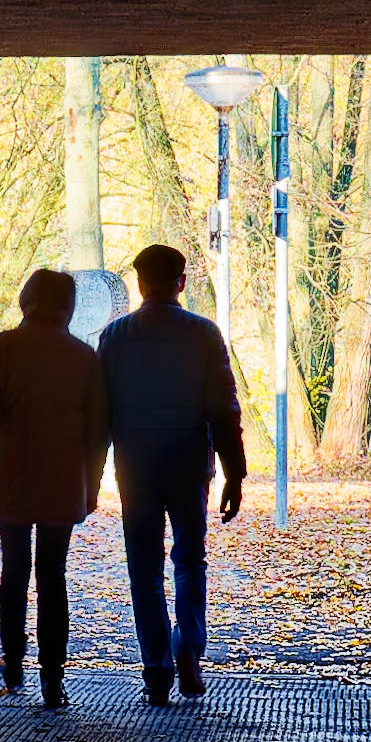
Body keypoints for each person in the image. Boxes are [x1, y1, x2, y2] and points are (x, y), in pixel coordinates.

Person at [0, 268, 106, 708]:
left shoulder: (4, 347)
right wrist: (89, 486)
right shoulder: (84, 357)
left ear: (27, 299)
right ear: (68, 307)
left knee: (14, 569)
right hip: (62, 480)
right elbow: (98, 431)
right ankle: (53, 676)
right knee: (53, 575)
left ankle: (13, 661)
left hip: (13, 476)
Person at [95, 245, 245, 705]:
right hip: (188, 462)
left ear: (140, 284)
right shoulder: (203, 335)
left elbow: (100, 413)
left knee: (144, 568)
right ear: (181, 282)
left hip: (136, 466)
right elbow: (224, 409)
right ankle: (190, 656)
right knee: (189, 559)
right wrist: (234, 473)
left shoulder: (116, 337)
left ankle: (156, 670)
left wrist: (89, 473)